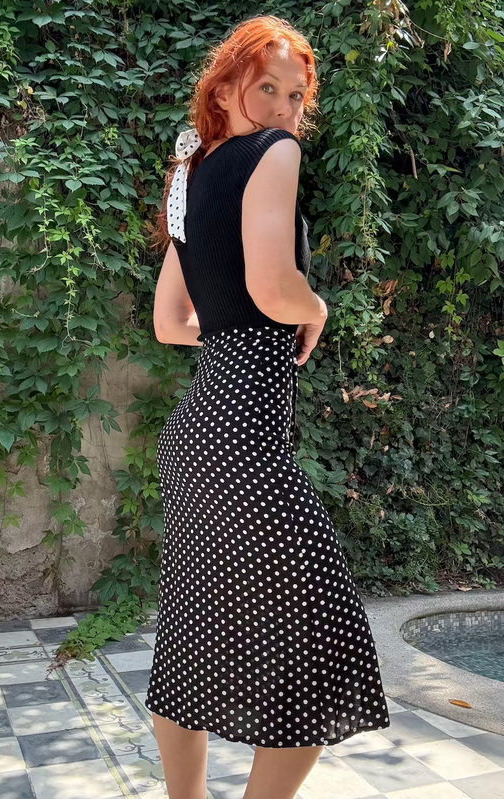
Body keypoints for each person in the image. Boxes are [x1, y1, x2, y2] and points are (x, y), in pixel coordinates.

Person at [145, 14, 390, 799]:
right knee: (320, 648)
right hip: (242, 439)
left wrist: (233, 330)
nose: (285, 110)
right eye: (269, 89)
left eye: (296, 96)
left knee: (192, 638)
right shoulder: (274, 154)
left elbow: (169, 322)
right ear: (224, 87)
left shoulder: (188, 173)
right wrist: (313, 308)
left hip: (193, 436)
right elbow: (272, 286)